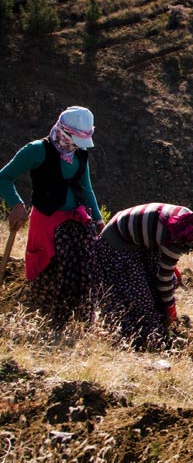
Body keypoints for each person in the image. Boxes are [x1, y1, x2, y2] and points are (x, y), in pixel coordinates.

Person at [1, 106, 102, 326]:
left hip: (78, 218)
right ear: (64, 132)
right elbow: (4, 177)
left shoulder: (80, 153)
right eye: (75, 139)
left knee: (87, 265)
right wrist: (16, 204)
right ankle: (48, 320)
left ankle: (79, 322)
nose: (77, 146)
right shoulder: (37, 150)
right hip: (47, 219)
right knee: (53, 266)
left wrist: (99, 220)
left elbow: (87, 189)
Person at [90, 202, 193, 348]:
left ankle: (156, 325)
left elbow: (161, 247)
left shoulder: (189, 221)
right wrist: (171, 310)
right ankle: (133, 337)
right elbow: (163, 280)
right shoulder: (178, 236)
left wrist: (171, 271)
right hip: (115, 244)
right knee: (142, 301)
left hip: (136, 242)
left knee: (164, 285)